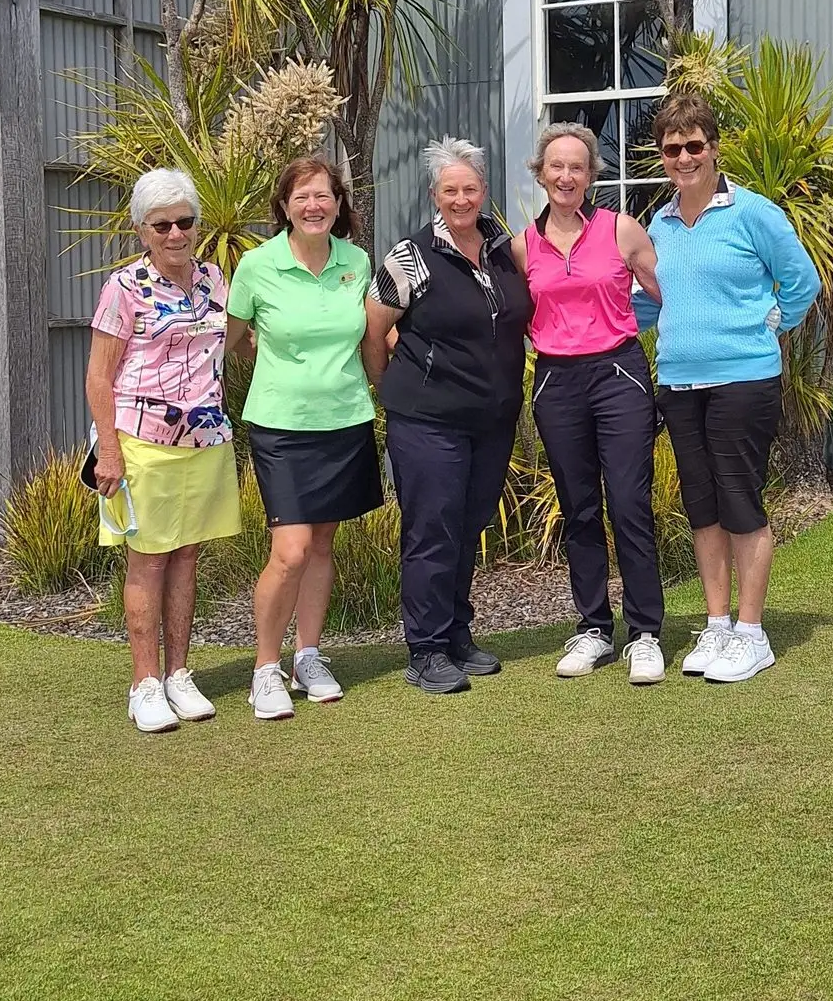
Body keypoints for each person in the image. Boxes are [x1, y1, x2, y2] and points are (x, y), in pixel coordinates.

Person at [646, 91, 820, 683]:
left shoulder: (754, 213)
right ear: (663, 156)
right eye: (673, 148)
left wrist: (774, 320)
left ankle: (751, 632)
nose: (684, 157)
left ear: (714, 149)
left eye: (695, 145)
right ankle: (717, 625)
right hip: (679, 382)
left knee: (740, 502)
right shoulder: (659, 223)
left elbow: (801, 281)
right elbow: (650, 301)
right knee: (703, 506)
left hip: (744, 380)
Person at [364, 138, 531, 695]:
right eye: (449, 190)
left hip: (493, 418)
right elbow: (374, 330)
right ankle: (427, 648)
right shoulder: (408, 257)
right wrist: (391, 386)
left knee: (468, 526)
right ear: (434, 194)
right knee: (432, 530)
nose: (460, 199)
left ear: (484, 191)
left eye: (470, 188)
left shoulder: (504, 251)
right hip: (427, 419)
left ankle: (458, 633)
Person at [225, 155, 382, 720]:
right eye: (302, 197)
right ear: (284, 207)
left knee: (320, 546)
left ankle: (307, 656)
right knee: (289, 551)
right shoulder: (257, 266)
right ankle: (265, 668)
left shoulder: (357, 262)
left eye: (323, 196)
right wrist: (271, 361)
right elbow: (232, 339)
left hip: (344, 420)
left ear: (339, 204)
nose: (313, 206)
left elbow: (370, 336)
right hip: (280, 425)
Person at [86, 167, 242, 733]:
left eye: (185, 222)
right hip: (142, 442)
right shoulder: (124, 288)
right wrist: (109, 452)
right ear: (142, 230)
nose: (175, 234)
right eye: (162, 225)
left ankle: (179, 674)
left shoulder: (215, 279)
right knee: (148, 560)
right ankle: (144, 682)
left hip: (205, 439)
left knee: (187, 557)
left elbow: (233, 345)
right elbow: (99, 378)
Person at [511, 124, 667, 684]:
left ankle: (645, 632)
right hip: (557, 380)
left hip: (619, 372)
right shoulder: (521, 245)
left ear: (591, 174)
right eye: (556, 166)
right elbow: (506, 317)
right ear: (540, 172)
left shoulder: (621, 229)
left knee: (628, 502)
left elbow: (670, 293)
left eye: (577, 166)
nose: (566, 176)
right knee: (579, 507)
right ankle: (594, 628)